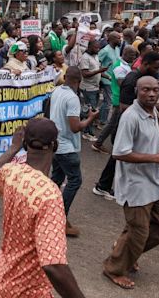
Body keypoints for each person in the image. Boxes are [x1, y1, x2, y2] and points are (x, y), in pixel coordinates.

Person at [0, 120, 85, 298]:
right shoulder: (49, 196)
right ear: (54, 145)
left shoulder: (11, 172)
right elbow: (53, 265)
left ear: (25, 144)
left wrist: (13, 149)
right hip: (28, 290)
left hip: (4, 276)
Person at [103, 76, 159, 290]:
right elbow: (119, 152)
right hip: (136, 183)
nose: (152, 94)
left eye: (155, 89)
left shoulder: (152, 111)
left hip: (154, 179)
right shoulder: (130, 116)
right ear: (137, 91)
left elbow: (147, 140)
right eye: (146, 90)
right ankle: (114, 268)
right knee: (138, 230)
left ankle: (126, 251)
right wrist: (157, 158)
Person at [93, 51, 159, 198]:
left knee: (116, 157)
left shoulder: (142, 79)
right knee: (120, 156)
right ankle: (107, 186)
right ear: (145, 64)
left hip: (133, 126)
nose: (157, 71)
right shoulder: (132, 80)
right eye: (155, 68)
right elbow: (124, 107)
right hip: (126, 126)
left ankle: (103, 185)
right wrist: (150, 107)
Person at [50, 66, 98, 236]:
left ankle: (47, 214)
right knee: (75, 181)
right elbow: (75, 127)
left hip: (55, 143)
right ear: (79, 81)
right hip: (66, 147)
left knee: (56, 179)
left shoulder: (56, 91)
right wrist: (90, 118)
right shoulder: (72, 98)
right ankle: (59, 219)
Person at [93, 46, 137, 152]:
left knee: (117, 123)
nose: (134, 57)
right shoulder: (119, 67)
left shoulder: (125, 65)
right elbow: (123, 85)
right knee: (113, 123)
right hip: (119, 99)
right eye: (132, 55)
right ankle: (98, 143)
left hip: (122, 99)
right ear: (125, 54)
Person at [79, 40, 107, 141]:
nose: (98, 49)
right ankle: (87, 133)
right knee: (92, 111)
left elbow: (97, 70)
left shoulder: (95, 56)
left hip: (95, 87)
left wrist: (107, 76)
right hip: (88, 88)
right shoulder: (85, 57)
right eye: (95, 48)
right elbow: (85, 74)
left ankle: (80, 122)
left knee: (88, 109)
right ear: (89, 47)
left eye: (98, 47)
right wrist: (99, 71)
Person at [98, 31, 121, 126]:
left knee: (109, 101)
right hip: (106, 79)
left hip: (114, 79)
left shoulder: (117, 49)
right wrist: (104, 75)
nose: (120, 40)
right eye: (118, 38)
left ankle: (101, 118)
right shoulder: (105, 51)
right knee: (108, 101)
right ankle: (102, 121)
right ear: (112, 39)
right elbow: (97, 64)